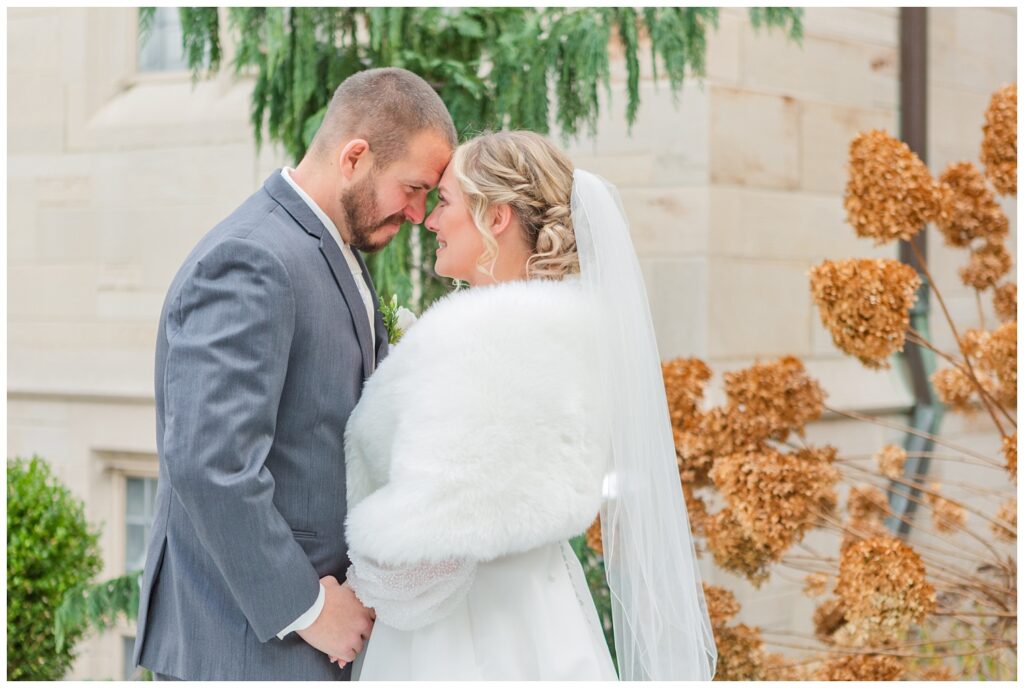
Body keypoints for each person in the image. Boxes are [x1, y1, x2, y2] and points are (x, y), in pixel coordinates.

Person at [342, 131, 718, 680]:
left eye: (444, 202)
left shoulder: (483, 340)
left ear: (496, 217)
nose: (428, 221)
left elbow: (430, 550)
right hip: (540, 615)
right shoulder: (572, 331)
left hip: (462, 641)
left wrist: (349, 597)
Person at [132, 67, 456, 681]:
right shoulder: (252, 259)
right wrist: (306, 607)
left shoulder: (328, 248)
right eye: (413, 188)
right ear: (355, 156)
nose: (419, 213)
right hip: (246, 647)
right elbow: (209, 462)